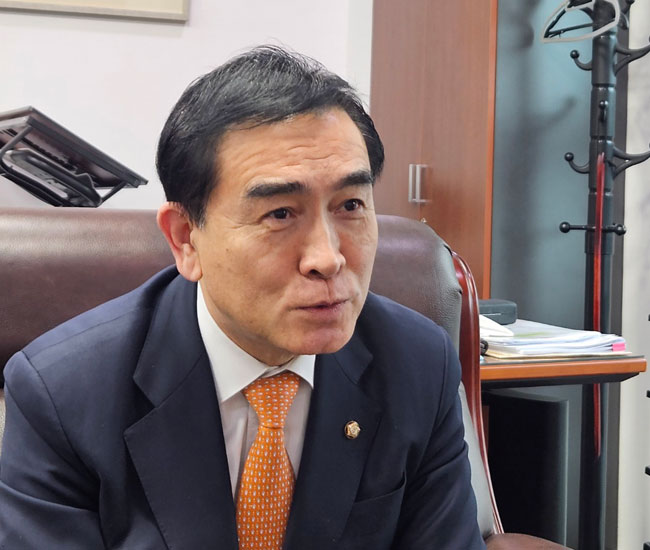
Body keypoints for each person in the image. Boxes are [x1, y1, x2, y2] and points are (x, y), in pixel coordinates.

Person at [0, 46, 485, 549]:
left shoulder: (418, 364)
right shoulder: (64, 393)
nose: (327, 258)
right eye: (280, 214)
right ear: (186, 239)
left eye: (350, 205)